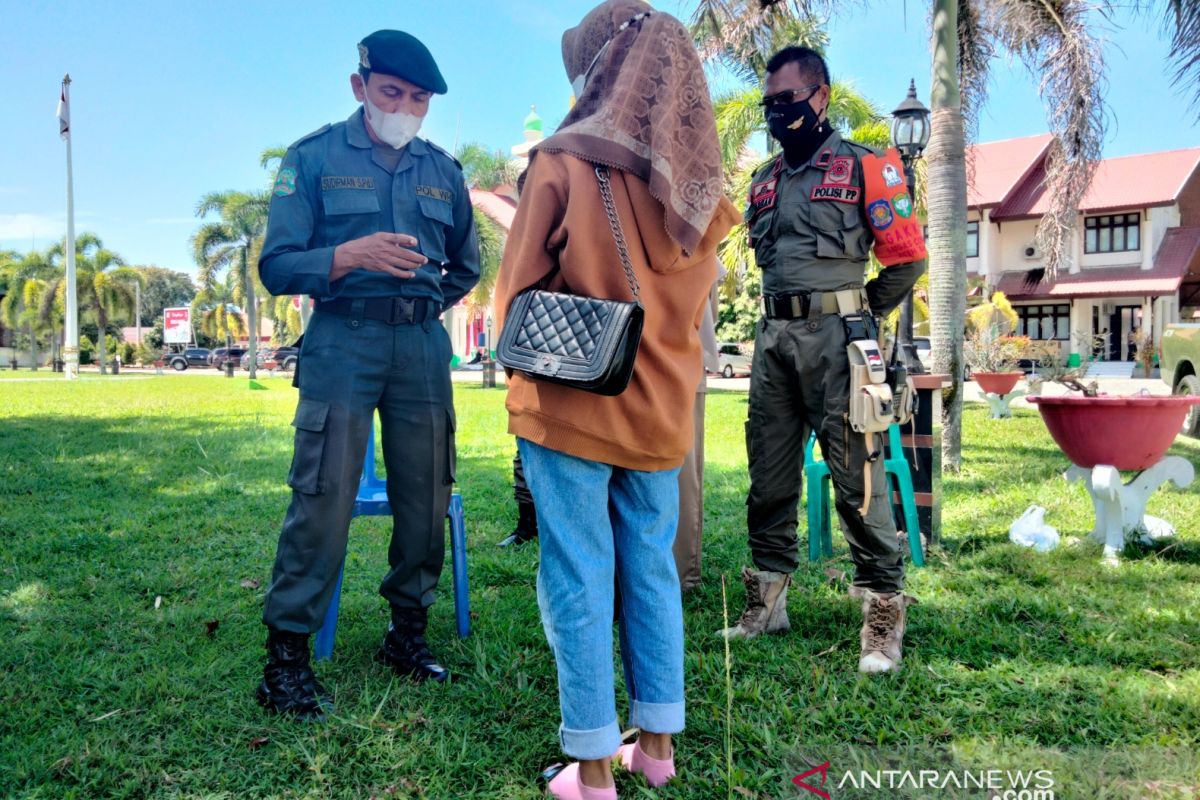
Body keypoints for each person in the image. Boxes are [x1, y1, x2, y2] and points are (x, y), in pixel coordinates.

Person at [492, 3, 737, 796]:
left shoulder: (561, 163)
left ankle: (593, 769)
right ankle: (657, 751)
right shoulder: (706, 190)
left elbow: (516, 295)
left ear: (602, 67)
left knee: (577, 572)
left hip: (572, 406)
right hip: (665, 409)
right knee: (653, 571)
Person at [255, 29, 480, 719]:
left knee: (426, 492)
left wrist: (419, 306)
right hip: (341, 343)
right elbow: (276, 265)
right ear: (360, 87)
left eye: (417, 100)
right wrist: (347, 257)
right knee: (323, 495)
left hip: (419, 347)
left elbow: (466, 265)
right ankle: (287, 660)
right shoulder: (313, 158)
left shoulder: (443, 172)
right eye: (391, 94)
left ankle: (405, 635)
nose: (404, 109)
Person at [721, 47, 925, 675]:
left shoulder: (868, 165)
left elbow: (907, 257)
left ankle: (883, 609)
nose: (778, 113)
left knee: (857, 478)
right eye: (770, 104)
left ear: (821, 96)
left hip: (840, 341)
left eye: (788, 100)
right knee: (769, 474)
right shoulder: (763, 181)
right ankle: (769, 601)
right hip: (773, 340)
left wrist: (860, 311)